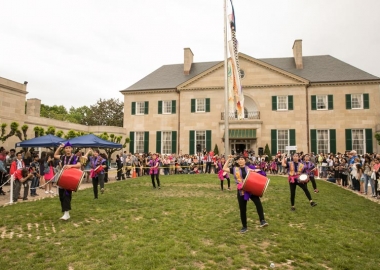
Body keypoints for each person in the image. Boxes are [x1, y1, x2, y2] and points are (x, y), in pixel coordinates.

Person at [223, 155, 268, 233]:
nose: (240, 160)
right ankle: (244, 227)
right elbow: (224, 168)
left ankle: (262, 220)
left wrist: (257, 171)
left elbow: (258, 173)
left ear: (245, 160)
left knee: (258, 203)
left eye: (242, 159)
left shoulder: (249, 168)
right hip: (241, 191)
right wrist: (229, 159)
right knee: (242, 209)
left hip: (250, 189)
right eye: (239, 159)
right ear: (237, 161)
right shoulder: (234, 169)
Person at [54, 142, 81, 220]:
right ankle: (66, 213)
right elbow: (55, 155)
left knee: (67, 196)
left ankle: (66, 213)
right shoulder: (62, 157)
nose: (68, 149)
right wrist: (60, 147)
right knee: (61, 196)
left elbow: (79, 165)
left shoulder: (75, 157)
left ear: (71, 149)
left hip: (70, 179)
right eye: (66, 148)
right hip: (62, 178)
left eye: (69, 148)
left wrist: (71, 166)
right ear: (64, 149)